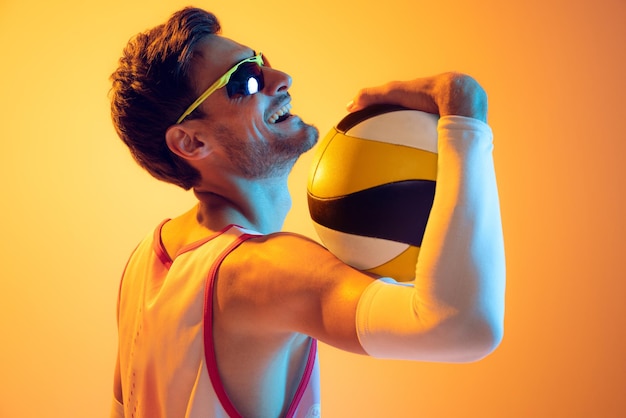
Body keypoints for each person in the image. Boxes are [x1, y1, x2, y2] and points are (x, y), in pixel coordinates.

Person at [109, 6, 505, 418]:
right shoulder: (264, 269)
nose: (281, 80)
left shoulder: (145, 260)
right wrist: (465, 114)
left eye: (261, 62)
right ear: (190, 143)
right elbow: (463, 329)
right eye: (245, 81)